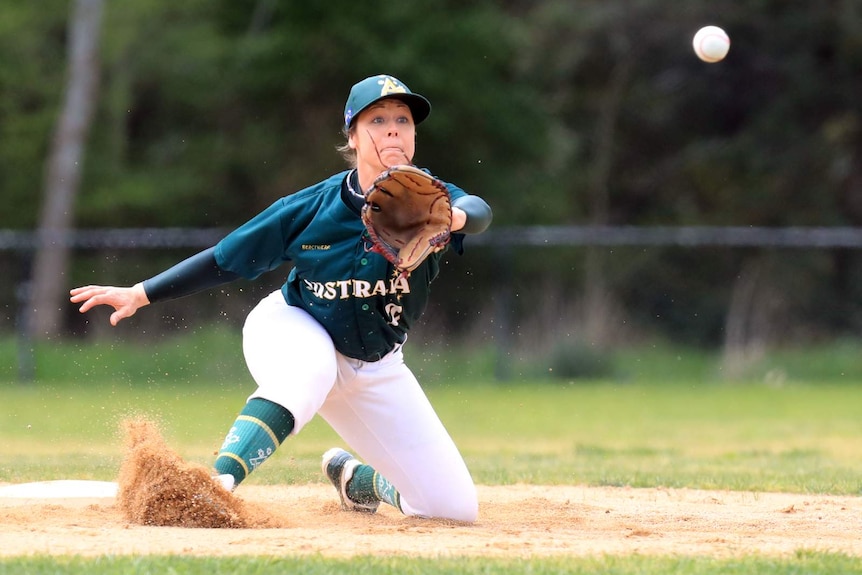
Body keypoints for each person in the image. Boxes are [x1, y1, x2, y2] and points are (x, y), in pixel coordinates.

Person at [70, 74, 492, 523]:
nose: (393, 129)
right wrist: (141, 293)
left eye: (403, 120)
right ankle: (212, 488)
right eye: (378, 118)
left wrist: (451, 217)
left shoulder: (437, 200)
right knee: (312, 367)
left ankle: (357, 480)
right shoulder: (310, 208)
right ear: (352, 134)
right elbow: (226, 259)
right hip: (292, 330)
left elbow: (481, 213)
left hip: (377, 364)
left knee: (452, 509)